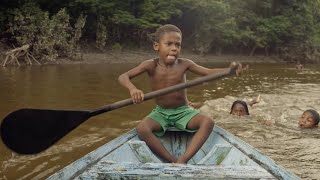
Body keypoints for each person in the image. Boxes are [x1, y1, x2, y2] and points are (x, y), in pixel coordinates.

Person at [118, 24, 242, 163]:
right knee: (142, 129)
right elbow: (123, 76)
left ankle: (183, 160)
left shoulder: (185, 64)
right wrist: (133, 89)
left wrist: (228, 71)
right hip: (161, 112)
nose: (174, 48)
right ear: (156, 46)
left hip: (183, 112)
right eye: (169, 44)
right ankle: (171, 160)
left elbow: (208, 72)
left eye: (178, 45)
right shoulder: (150, 65)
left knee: (208, 122)